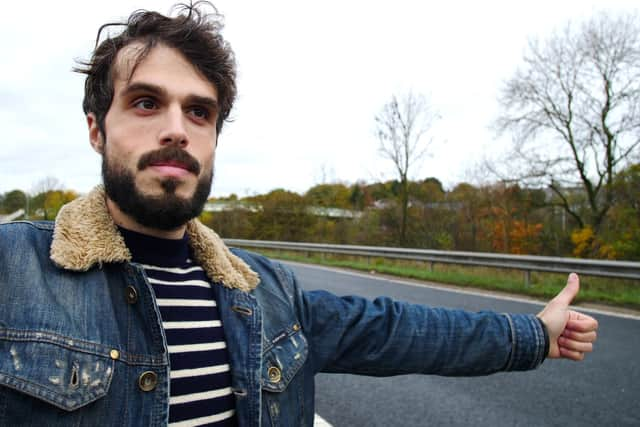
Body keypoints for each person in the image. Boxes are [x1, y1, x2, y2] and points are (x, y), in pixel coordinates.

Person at [0, 3, 598, 426]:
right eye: (146, 102)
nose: (177, 130)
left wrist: (534, 335)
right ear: (96, 130)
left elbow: (401, 330)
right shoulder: (14, 272)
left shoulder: (269, 295)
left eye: (200, 113)